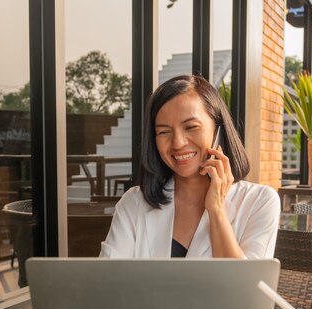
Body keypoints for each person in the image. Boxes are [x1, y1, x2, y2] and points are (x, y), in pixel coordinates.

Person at [100, 75, 280, 258]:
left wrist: (216, 209)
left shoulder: (260, 201)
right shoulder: (134, 203)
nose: (177, 143)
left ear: (218, 130)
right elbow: (106, 281)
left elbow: (247, 285)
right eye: (163, 132)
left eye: (191, 127)